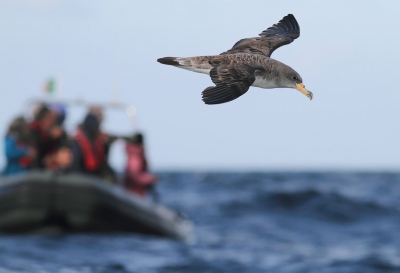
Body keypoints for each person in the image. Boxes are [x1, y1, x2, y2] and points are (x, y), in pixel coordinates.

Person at [71, 113, 116, 182]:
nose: (98, 128)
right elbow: (76, 164)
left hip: (93, 177)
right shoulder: (77, 143)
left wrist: (108, 145)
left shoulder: (97, 142)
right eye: (96, 125)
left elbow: (101, 162)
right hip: (81, 176)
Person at [124, 133, 157, 198]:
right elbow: (133, 175)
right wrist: (149, 179)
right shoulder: (135, 157)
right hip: (133, 193)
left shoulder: (137, 155)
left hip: (137, 192)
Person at [29, 104, 58, 168]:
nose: (53, 121)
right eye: (51, 118)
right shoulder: (33, 129)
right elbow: (38, 148)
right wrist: (52, 138)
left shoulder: (46, 132)